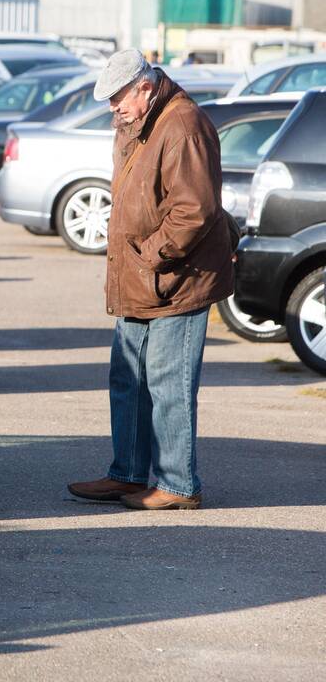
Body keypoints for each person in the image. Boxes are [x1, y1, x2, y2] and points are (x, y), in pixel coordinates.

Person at [68, 49, 234, 510]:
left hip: (175, 280)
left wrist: (149, 256)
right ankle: (128, 473)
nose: (113, 108)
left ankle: (178, 485)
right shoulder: (136, 123)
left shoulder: (183, 125)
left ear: (145, 86)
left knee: (168, 383)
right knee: (128, 378)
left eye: (119, 98)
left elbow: (194, 210)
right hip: (141, 277)